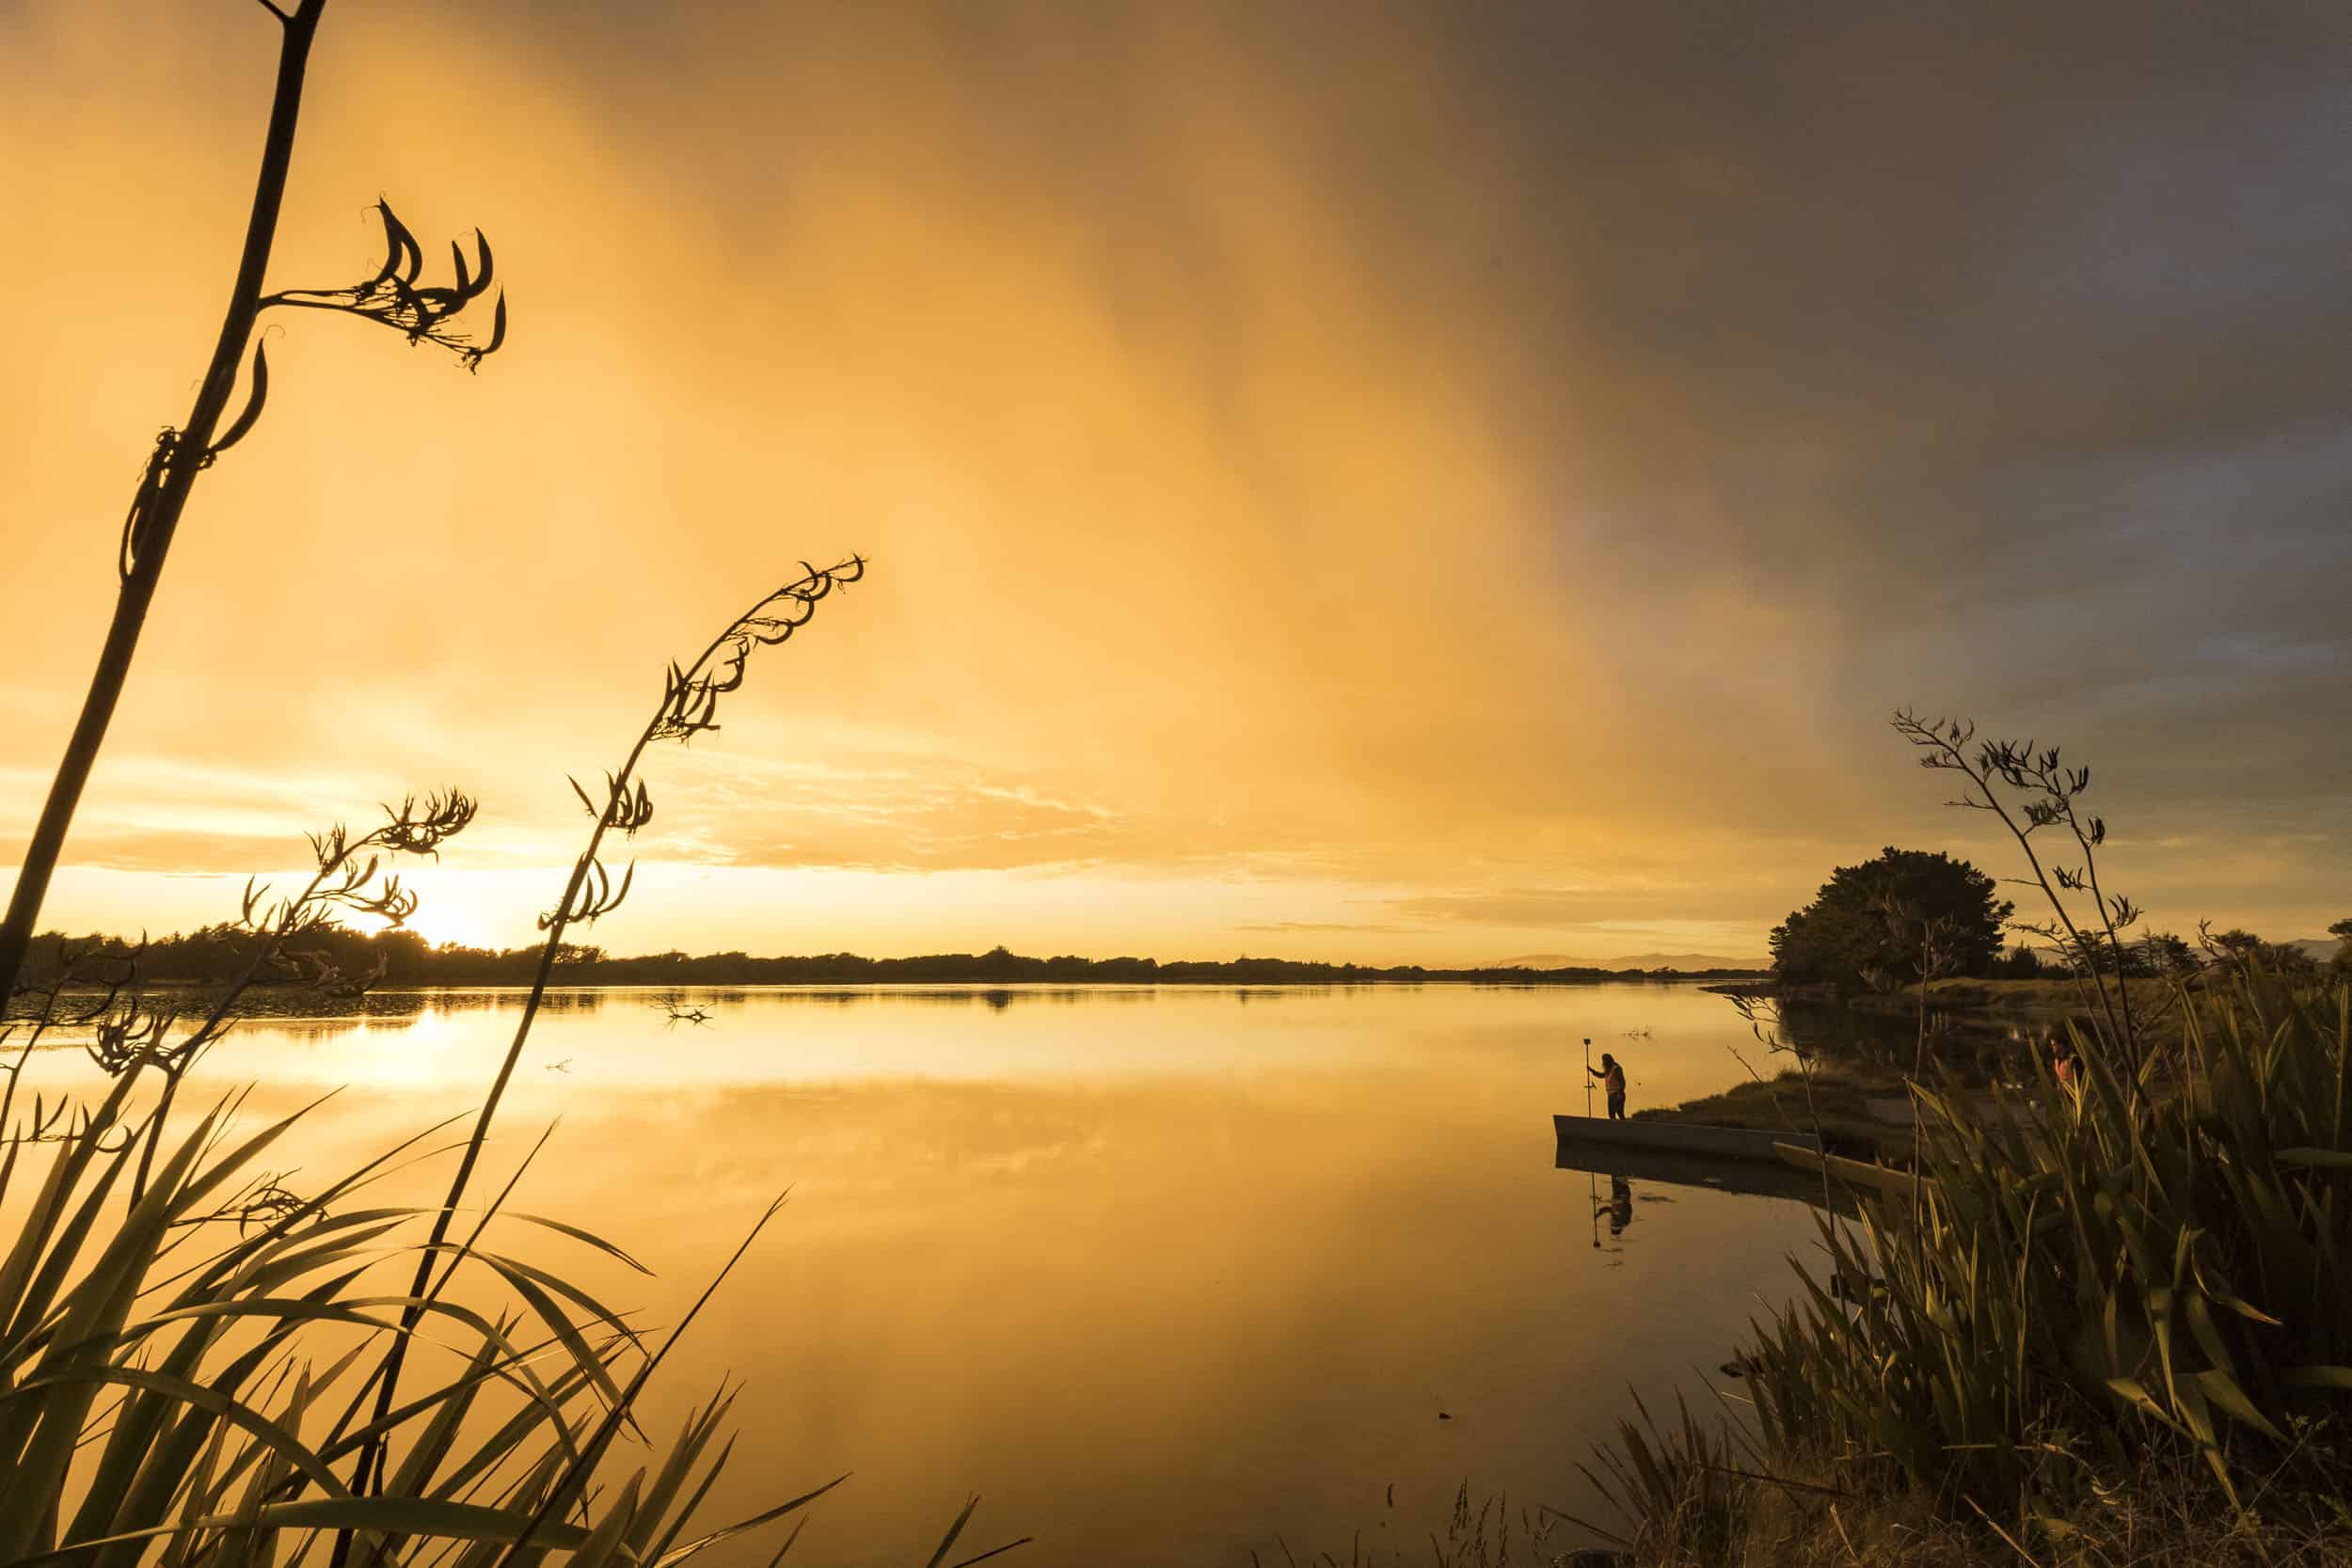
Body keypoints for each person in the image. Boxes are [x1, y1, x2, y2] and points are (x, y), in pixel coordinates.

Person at [1589, 1051, 1628, 1119]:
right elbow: (1601, 1075)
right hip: (1611, 1094)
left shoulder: (1616, 1069)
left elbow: (1622, 1081)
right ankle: (1616, 1129)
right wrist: (1592, 1071)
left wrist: (1620, 1093)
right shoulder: (1609, 1070)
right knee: (1612, 1114)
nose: (1603, 1063)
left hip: (1617, 1094)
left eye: (1604, 1061)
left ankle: (1626, 1128)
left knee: (1619, 1113)